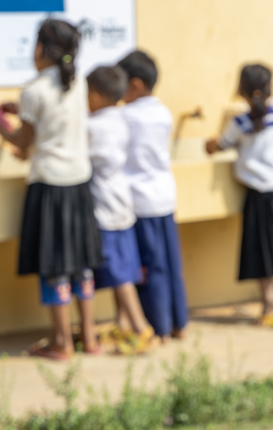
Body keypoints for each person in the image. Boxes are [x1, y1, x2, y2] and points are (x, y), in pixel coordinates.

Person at [0, 18, 102, 360]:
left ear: (40, 49)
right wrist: (20, 109)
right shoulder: (77, 83)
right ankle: (89, 336)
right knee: (81, 264)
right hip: (79, 182)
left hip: (50, 186)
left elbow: (23, 140)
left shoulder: (33, 91)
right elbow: (53, 114)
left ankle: (62, 341)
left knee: (54, 266)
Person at [206, 64, 273, 326]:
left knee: (260, 247)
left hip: (261, 191)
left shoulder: (239, 123)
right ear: (269, 88)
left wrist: (210, 142)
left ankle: (270, 298)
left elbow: (218, 146)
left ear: (240, 89)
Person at [117, 50, 189, 343]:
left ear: (135, 85)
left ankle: (157, 328)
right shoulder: (162, 112)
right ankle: (178, 324)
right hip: (164, 198)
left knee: (148, 270)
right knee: (170, 265)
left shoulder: (125, 117)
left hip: (140, 201)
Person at [85, 65, 154, 354]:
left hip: (104, 207)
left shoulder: (92, 126)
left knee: (119, 275)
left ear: (95, 97)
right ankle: (123, 324)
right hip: (122, 203)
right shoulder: (121, 119)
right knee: (125, 269)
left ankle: (140, 327)